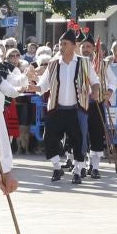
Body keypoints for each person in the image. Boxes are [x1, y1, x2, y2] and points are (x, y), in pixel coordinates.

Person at [39, 28, 97, 184]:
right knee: (49, 138)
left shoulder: (84, 62)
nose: (61, 47)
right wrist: (34, 86)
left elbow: (95, 81)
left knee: (78, 141)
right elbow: (43, 85)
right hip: (56, 108)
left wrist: (95, 91)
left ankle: (78, 171)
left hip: (76, 109)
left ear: (73, 46)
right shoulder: (53, 64)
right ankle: (57, 168)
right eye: (60, 44)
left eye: (65, 44)